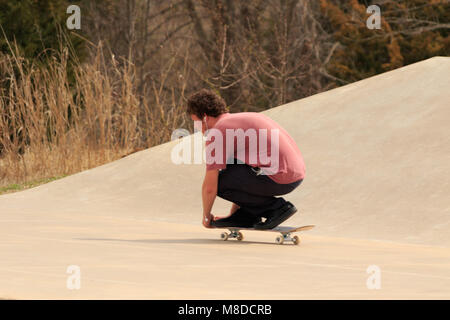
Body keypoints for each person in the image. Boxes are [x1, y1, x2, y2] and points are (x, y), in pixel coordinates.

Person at [187, 89, 305, 230]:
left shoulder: (217, 133)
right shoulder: (241, 119)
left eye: (195, 122)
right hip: (295, 173)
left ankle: (277, 209)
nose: (196, 128)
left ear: (205, 117)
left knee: (219, 182)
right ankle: (246, 215)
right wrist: (236, 216)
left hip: (279, 177)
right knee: (231, 169)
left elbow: (210, 187)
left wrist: (206, 217)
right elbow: (239, 178)